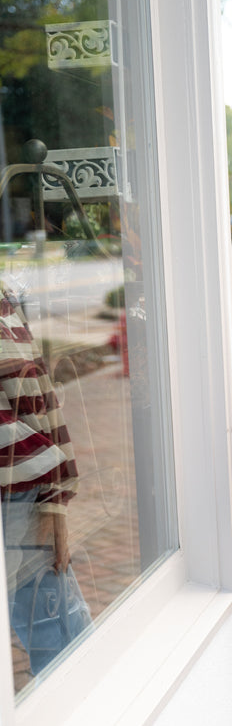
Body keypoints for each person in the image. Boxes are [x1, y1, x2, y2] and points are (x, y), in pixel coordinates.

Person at [0, 288, 91, 679]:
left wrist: (53, 498)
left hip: (21, 486)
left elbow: (35, 390)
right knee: (62, 639)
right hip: (19, 485)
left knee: (64, 638)